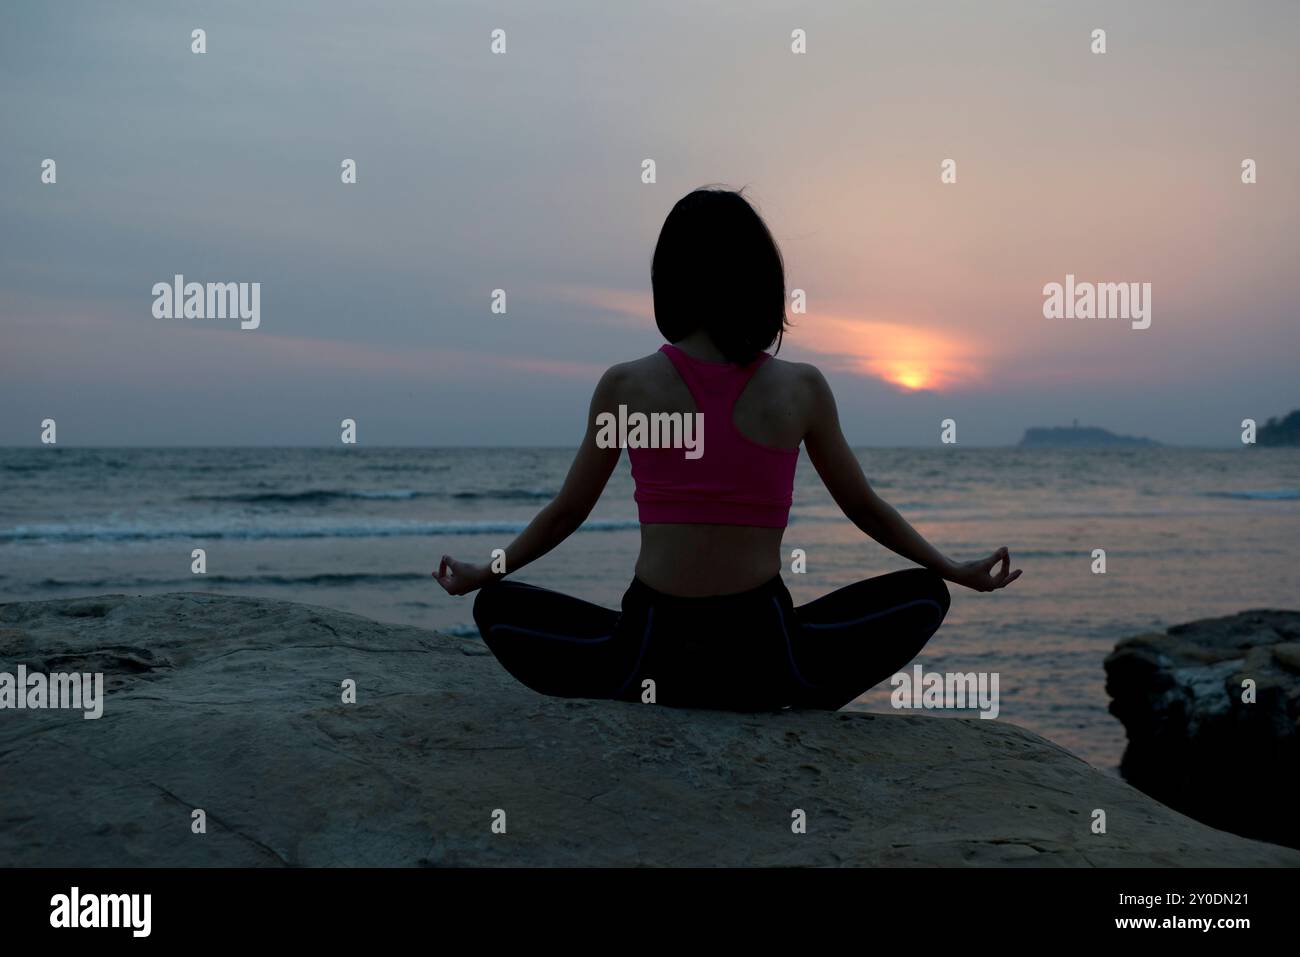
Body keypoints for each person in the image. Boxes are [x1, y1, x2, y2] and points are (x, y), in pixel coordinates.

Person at [434, 186, 1021, 712]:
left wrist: (483, 572)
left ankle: (632, 683)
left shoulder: (626, 385)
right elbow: (864, 508)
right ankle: (792, 691)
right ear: (761, 280)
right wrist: (953, 569)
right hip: (765, 658)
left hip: (648, 657)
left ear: (670, 279)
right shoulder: (802, 388)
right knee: (923, 596)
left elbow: (568, 511)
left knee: (497, 607)